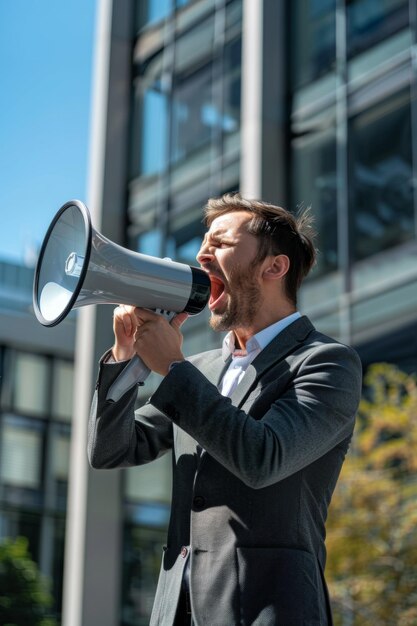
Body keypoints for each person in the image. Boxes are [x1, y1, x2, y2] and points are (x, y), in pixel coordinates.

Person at [88, 193, 362, 626]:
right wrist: (127, 361)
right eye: (203, 243)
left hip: (268, 608)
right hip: (176, 611)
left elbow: (263, 458)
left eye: (220, 242)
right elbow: (111, 451)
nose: (201, 253)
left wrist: (173, 368)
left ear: (274, 267)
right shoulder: (201, 370)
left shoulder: (326, 362)